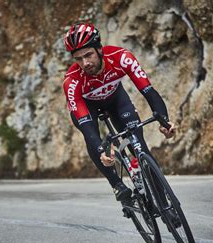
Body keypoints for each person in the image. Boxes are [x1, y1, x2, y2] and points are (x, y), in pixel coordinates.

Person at [62, 23, 176, 205]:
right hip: (87, 108)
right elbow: (85, 123)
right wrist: (101, 151)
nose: (85, 63)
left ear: (99, 49)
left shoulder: (121, 58)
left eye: (88, 55)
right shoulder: (72, 81)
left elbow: (148, 91)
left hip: (116, 101)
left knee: (140, 147)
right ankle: (117, 184)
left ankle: (163, 203)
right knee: (94, 142)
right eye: (78, 59)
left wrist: (164, 121)